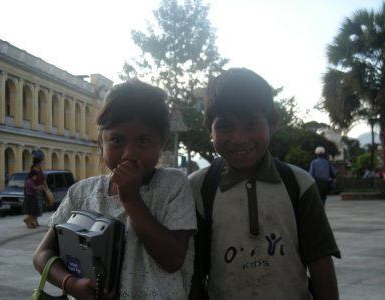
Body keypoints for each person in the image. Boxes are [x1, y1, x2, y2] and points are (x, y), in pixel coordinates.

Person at [33, 79, 197, 300]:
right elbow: (42, 254)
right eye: (117, 140)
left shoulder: (173, 185)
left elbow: (172, 260)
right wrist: (71, 283)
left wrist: (131, 199)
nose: (129, 153)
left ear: (163, 141)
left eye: (143, 141)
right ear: (102, 140)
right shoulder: (81, 193)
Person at [189, 68, 340, 300]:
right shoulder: (197, 188)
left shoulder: (299, 184)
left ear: (272, 124)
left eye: (251, 124)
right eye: (225, 126)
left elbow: (320, 261)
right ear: (209, 127)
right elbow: (194, 271)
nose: (239, 138)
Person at [30, 156, 46, 226]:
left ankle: (35, 221)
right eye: (40, 163)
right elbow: (31, 181)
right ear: (37, 164)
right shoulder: (33, 171)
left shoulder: (40, 170)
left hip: (40, 190)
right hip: (35, 191)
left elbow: (42, 179)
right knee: (35, 206)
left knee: (39, 206)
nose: (41, 164)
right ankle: (33, 221)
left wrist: (45, 185)